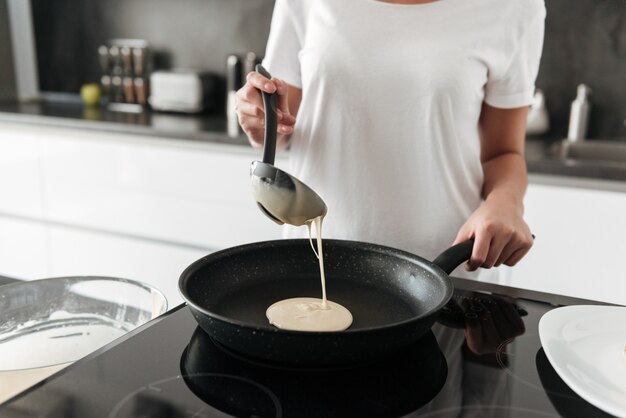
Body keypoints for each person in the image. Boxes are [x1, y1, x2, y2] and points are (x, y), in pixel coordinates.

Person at [235, 0, 544, 282]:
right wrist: (258, 121)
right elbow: (280, 127)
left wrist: (506, 203)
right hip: (316, 260)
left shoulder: (514, 7)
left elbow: (503, 153)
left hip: (442, 268)